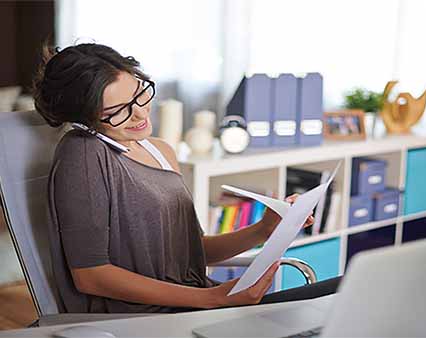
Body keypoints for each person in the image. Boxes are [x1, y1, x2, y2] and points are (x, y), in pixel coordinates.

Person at [33, 43, 341, 313]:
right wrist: (211, 299)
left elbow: (194, 251)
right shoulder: (84, 154)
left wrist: (265, 228)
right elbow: (91, 275)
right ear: (83, 118)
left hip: (194, 303)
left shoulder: (160, 150)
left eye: (139, 95)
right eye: (117, 111)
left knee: (343, 292)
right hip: (146, 318)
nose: (140, 114)